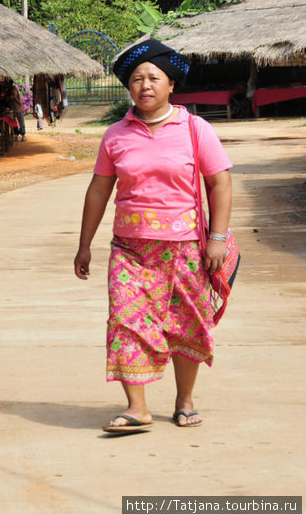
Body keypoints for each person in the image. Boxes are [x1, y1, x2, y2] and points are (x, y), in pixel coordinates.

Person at [73, 40, 233, 434]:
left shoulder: (196, 129)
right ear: (128, 87)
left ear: (171, 85)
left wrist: (217, 237)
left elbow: (220, 184)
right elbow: (98, 190)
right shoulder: (114, 135)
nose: (144, 85)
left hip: (186, 249)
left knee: (185, 325)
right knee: (126, 321)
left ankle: (184, 400)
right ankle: (137, 407)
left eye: (153, 78)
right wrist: (84, 245)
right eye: (136, 79)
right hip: (130, 250)